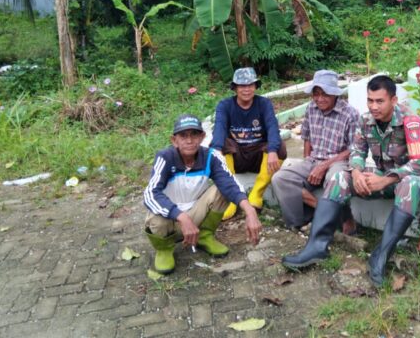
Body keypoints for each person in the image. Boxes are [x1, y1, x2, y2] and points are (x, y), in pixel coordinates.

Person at [281, 75, 420, 287]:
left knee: (411, 184)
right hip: (379, 176)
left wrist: (385, 180)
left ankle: (380, 256)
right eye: (370, 100)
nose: (374, 106)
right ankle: (317, 246)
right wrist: (358, 172)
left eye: (380, 101)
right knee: (339, 176)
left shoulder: (411, 122)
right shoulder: (365, 120)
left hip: (406, 181)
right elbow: (357, 152)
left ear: (394, 101)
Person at [143, 114, 262, 274]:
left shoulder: (210, 156)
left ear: (202, 137)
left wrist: (250, 211)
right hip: (170, 220)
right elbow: (151, 194)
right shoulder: (165, 157)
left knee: (222, 191)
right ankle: (164, 249)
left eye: (194, 134)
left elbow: (229, 183)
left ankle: (204, 235)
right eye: (183, 135)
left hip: (196, 213)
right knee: (156, 215)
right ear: (174, 140)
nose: (189, 140)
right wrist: (181, 217)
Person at [270, 70, 359, 234]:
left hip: (338, 161)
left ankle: (341, 217)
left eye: (324, 94)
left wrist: (324, 165)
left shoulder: (350, 113)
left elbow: (353, 149)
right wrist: (307, 163)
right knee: (281, 178)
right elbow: (307, 137)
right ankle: (302, 221)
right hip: (314, 159)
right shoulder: (311, 108)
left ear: (334, 94)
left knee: (336, 178)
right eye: (316, 94)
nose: (319, 98)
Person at [210, 67, 286, 219]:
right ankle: (230, 199)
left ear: (255, 87)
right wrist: (216, 150)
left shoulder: (264, 104)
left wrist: (272, 150)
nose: (246, 89)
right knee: (221, 144)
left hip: (258, 156)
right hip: (236, 156)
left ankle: (256, 193)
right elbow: (219, 128)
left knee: (279, 146)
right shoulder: (225, 106)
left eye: (250, 85)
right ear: (235, 88)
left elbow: (272, 127)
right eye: (242, 86)